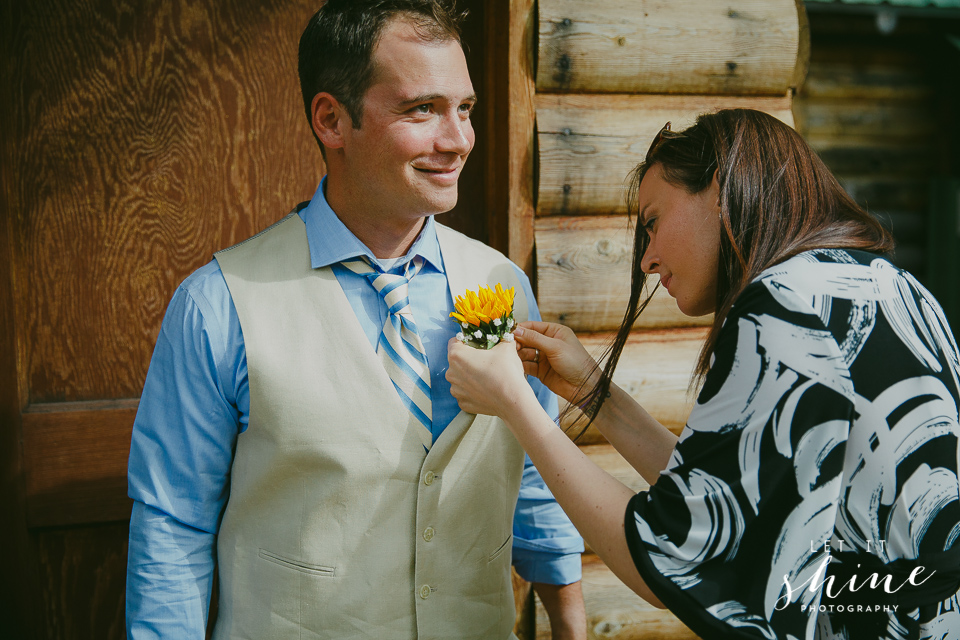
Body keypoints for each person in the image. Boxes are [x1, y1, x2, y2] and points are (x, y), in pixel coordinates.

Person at [125, 1, 587, 638]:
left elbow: (532, 466)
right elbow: (172, 528)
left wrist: (570, 622)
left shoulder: (502, 285)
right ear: (331, 119)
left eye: (466, 108)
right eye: (421, 109)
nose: (457, 140)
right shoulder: (217, 304)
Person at [447, 109, 960, 639]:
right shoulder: (895, 288)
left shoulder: (781, 306)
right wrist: (592, 393)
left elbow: (675, 553)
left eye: (652, 222)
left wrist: (515, 402)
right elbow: (732, 504)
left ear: (719, 187)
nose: (646, 260)